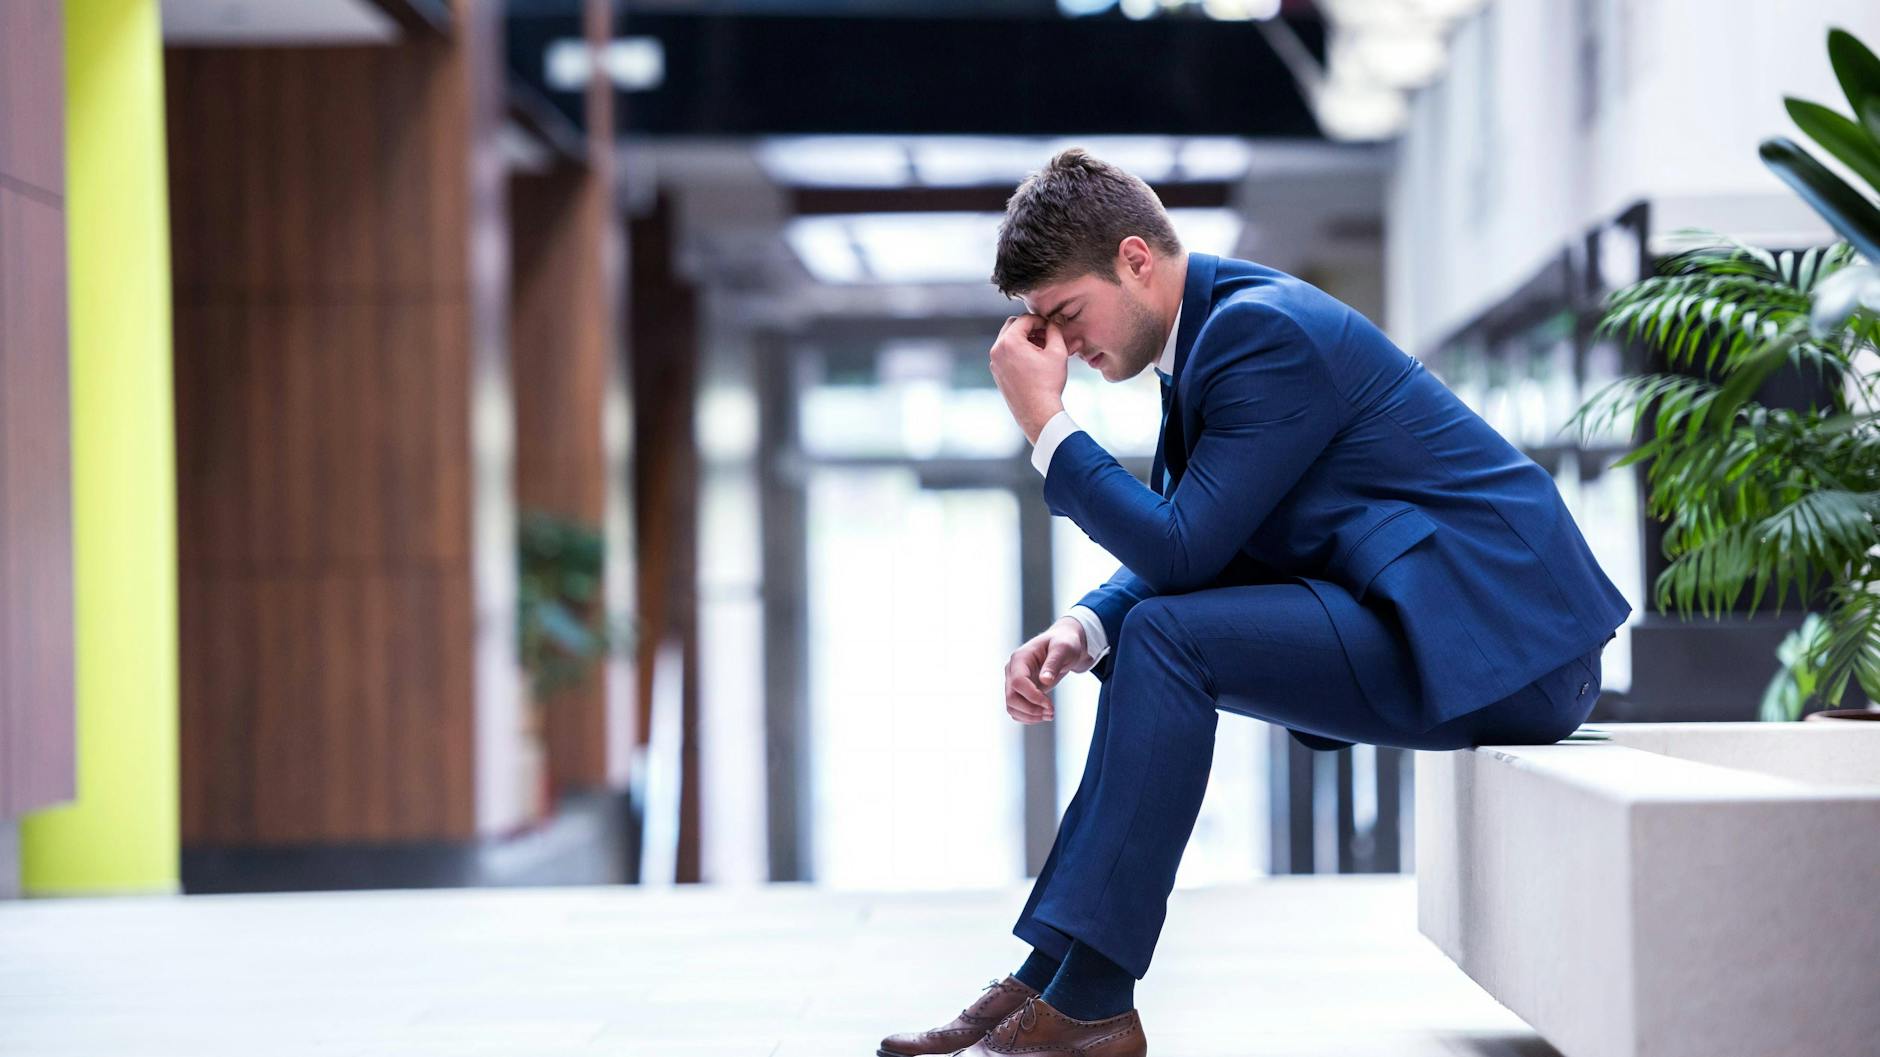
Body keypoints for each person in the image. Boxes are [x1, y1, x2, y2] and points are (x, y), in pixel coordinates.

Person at [875, 148, 1630, 1057]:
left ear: (1135, 260)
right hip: (1436, 622)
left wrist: (1046, 425)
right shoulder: (1211, 339)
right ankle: (1053, 978)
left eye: (1066, 314)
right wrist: (1086, 624)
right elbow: (1200, 532)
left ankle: (1090, 997)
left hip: (1507, 647)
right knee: (1148, 630)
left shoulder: (1260, 333)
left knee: (1168, 638)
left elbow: (1183, 547)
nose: (1063, 347)